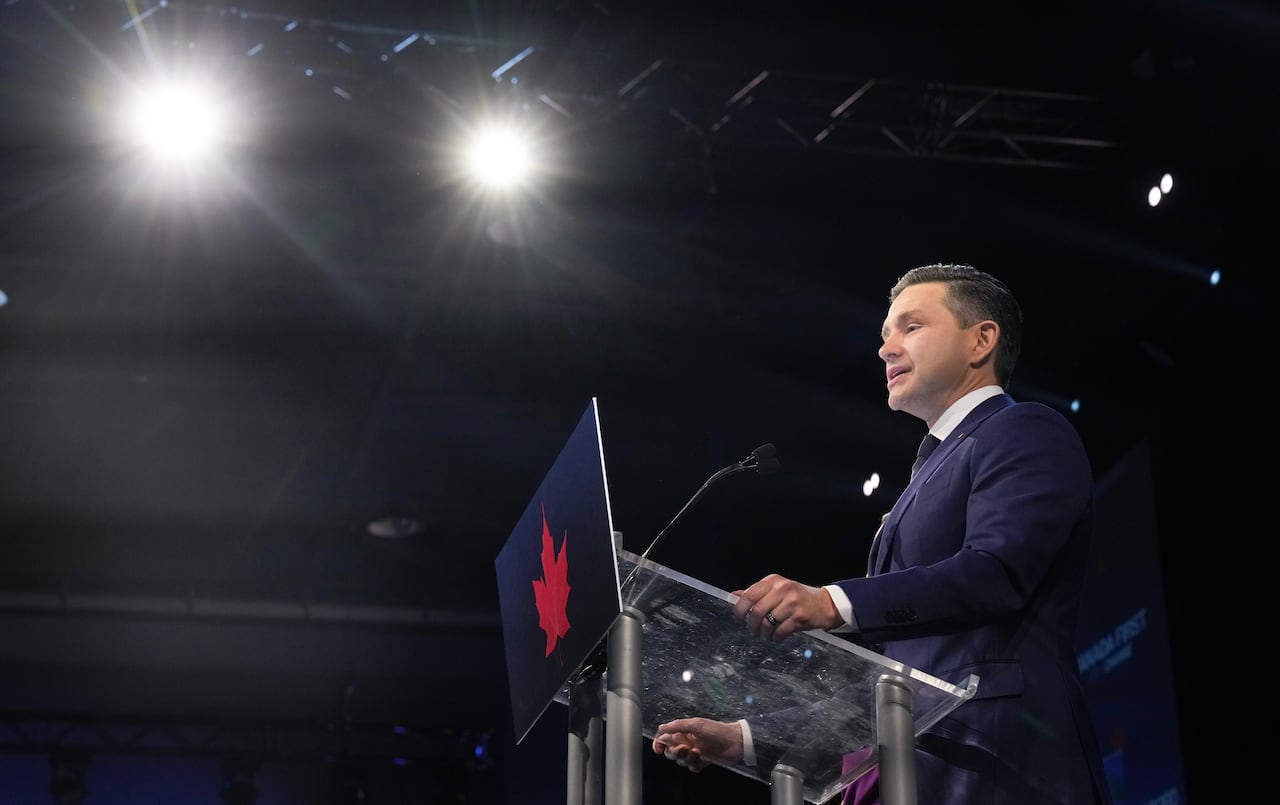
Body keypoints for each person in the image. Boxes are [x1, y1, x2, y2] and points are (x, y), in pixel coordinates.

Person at [651, 263, 1113, 804]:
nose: (886, 348)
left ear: (981, 340)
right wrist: (746, 739)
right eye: (884, 335)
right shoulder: (930, 471)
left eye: (911, 327)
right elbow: (888, 680)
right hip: (914, 777)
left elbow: (996, 572)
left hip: (1003, 770)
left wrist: (834, 603)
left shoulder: (1023, 429)